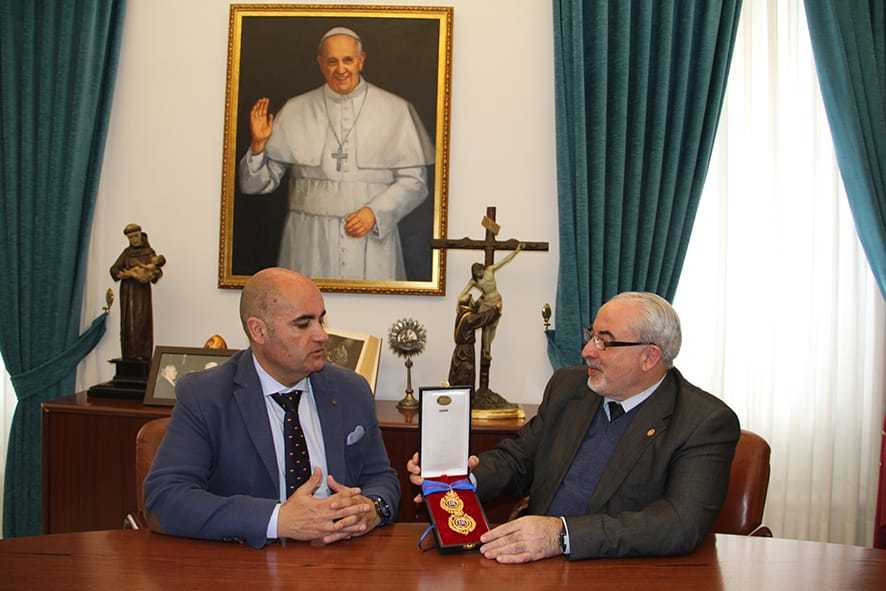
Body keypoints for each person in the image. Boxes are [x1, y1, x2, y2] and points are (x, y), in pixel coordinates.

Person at [408, 292, 740, 562]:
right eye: (591, 335)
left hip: (623, 572)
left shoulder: (703, 422)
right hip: (531, 564)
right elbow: (519, 459)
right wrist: (456, 479)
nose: (586, 352)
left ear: (649, 357)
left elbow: (680, 523)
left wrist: (562, 535)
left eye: (604, 342)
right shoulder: (570, 388)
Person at [144, 268, 399, 548]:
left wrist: (371, 508)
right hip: (246, 562)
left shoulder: (351, 389)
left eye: (321, 320)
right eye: (303, 324)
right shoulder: (206, 396)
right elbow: (165, 499)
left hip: (338, 557)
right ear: (259, 331)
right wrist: (278, 519)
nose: (322, 335)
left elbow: (381, 478)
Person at [239, 27, 434, 281]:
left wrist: (375, 213)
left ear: (361, 61)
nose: (340, 69)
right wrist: (258, 146)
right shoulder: (296, 109)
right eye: (332, 61)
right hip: (308, 238)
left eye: (348, 60)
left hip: (372, 238)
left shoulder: (395, 109)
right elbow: (254, 186)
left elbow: (415, 182)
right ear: (320, 64)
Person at [109, 224, 164, 360]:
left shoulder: (149, 252)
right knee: (128, 323)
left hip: (142, 293)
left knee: (142, 321)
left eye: (136, 236)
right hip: (127, 292)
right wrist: (125, 274)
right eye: (130, 237)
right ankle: (129, 354)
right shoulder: (127, 253)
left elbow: (157, 270)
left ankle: (143, 354)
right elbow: (114, 269)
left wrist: (152, 275)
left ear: (141, 234)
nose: (134, 239)